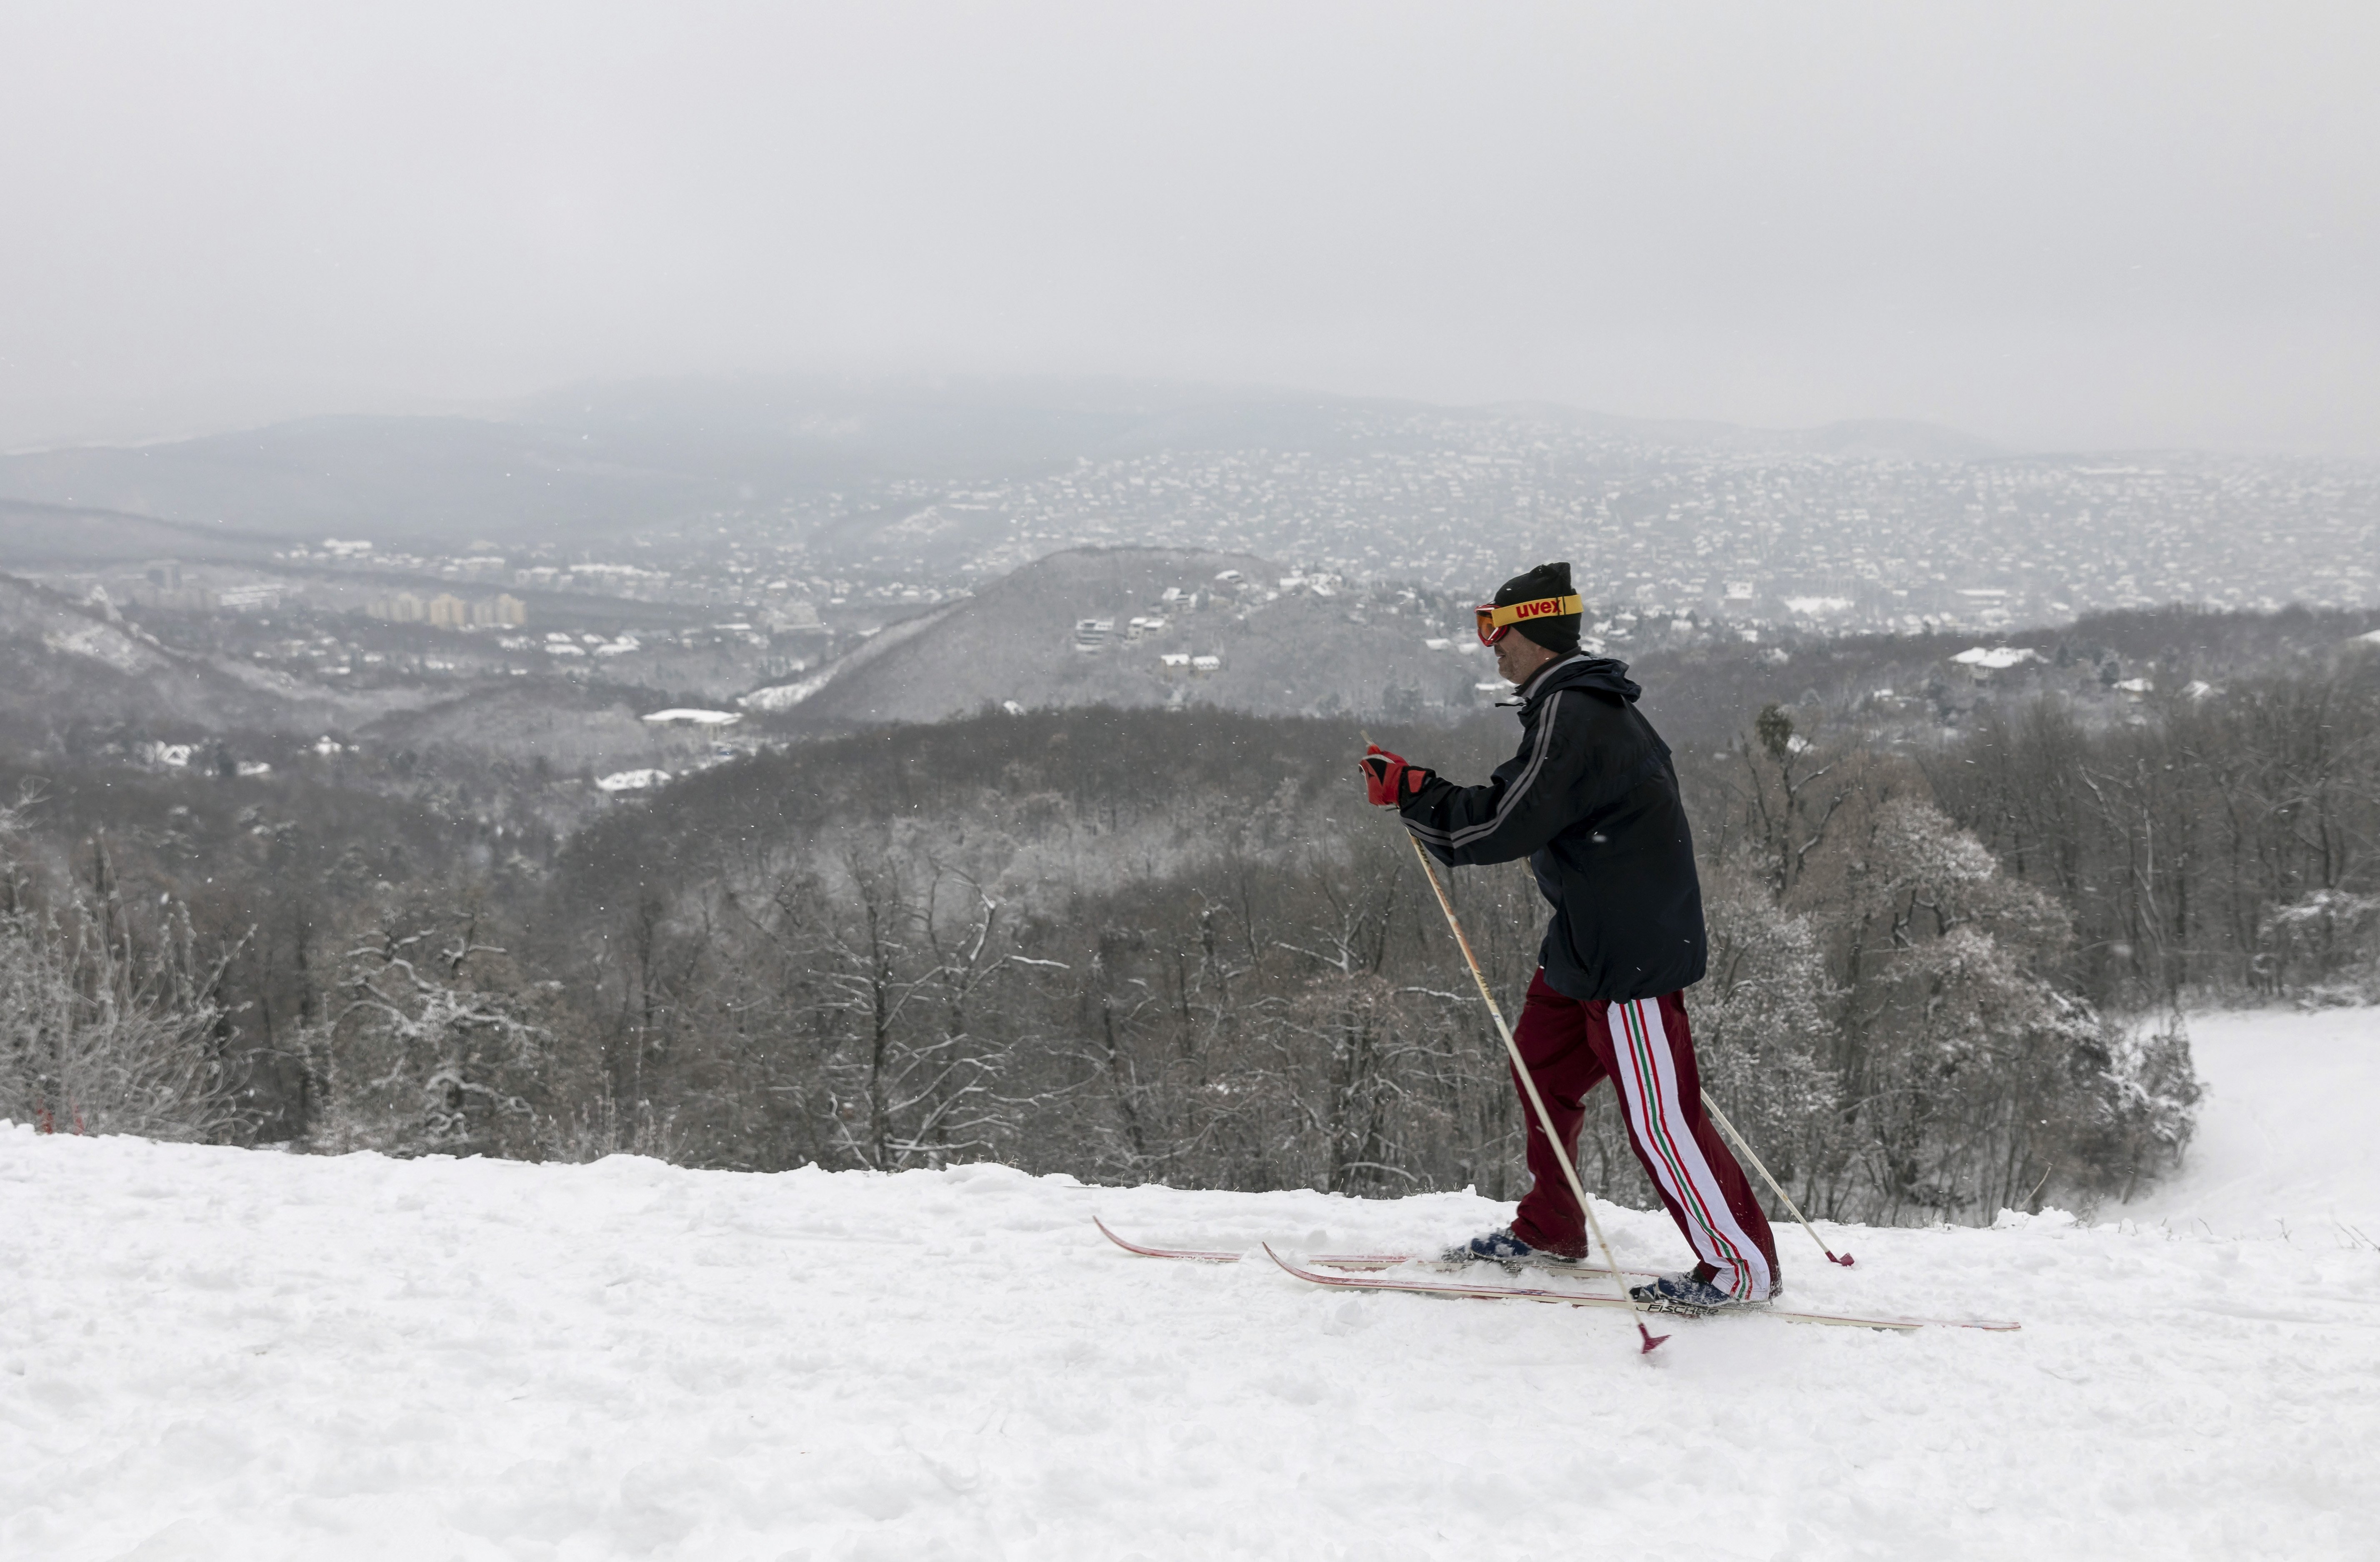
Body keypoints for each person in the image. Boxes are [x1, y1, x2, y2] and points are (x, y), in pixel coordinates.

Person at [1357, 562, 1780, 1313]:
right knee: (1542, 1070)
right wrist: (1422, 794)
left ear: (1538, 631)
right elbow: (1528, 808)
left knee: (1661, 1119)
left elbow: (1504, 822)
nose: (1492, 645)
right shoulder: (1574, 705)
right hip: (1586, 942)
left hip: (1627, 955)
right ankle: (1551, 1228)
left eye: (1498, 629)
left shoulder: (1575, 713)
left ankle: (1739, 1266)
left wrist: (1418, 795)